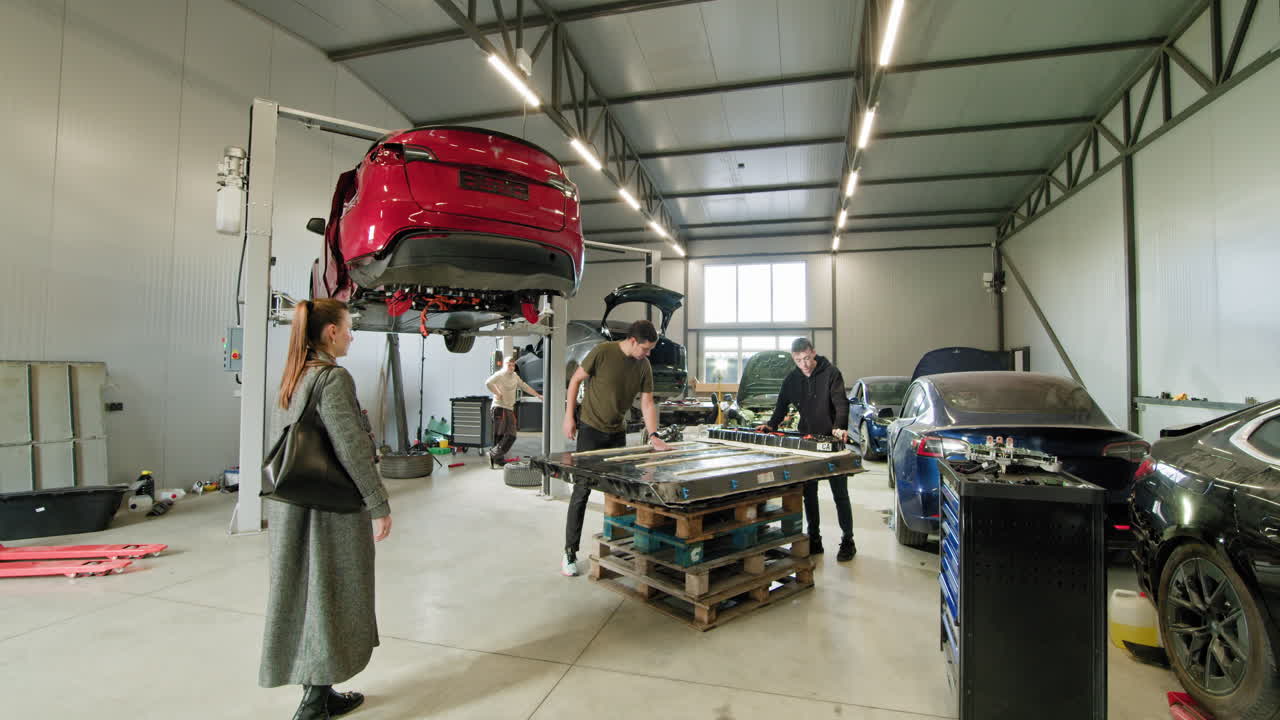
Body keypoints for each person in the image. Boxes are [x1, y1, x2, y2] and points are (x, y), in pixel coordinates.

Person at [260, 298, 392, 720]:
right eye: (348, 327)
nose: (352, 335)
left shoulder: (294, 374)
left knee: (306, 592)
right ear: (331, 332)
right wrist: (377, 503)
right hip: (327, 508)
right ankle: (314, 704)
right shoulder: (333, 378)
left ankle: (320, 689)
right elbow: (351, 447)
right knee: (332, 592)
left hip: (292, 503)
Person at [561, 319, 672, 576]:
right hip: (590, 430)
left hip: (617, 433)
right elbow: (575, 381)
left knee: (619, 492)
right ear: (633, 341)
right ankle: (569, 552)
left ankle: (622, 548)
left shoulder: (643, 365)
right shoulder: (603, 352)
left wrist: (654, 434)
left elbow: (646, 403)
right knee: (581, 492)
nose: (648, 353)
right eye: (646, 348)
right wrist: (569, 416)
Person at [756, 338, 857, 562]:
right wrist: (771, 425)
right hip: (807, 443)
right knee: (809, 494)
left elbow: (841, 403)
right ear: (794, 358)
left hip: (833, 443)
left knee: (840, 494)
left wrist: (839, 427)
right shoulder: (792, 379)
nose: (804, 364)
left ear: (813, 352)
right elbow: (781, 405)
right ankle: (814, 539)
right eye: (799, 360)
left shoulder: (831, 373)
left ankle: (848, 540)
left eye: (807, 358)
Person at [485, 354, 543, 469]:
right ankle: (497, 458)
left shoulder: (515, 376)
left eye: (513, 365)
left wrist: (538, 395)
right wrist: (497, 393)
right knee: (499, 435)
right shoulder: (500, 374)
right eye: (509, 365)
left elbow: (524, 386)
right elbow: (488, 383)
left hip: (509, 408)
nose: (511, 367)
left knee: (512, 435)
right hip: (499, 407)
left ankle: (494, 454)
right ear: (504, 365)